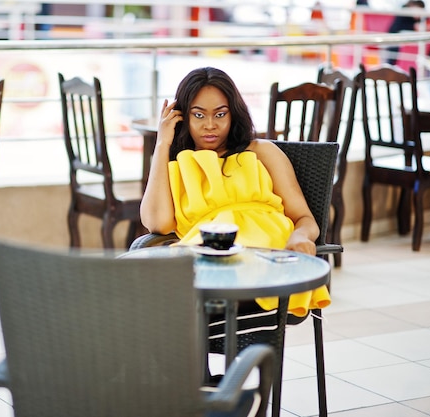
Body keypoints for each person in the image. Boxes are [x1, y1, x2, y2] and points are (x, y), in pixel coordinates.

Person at [140, 67, 330, 351]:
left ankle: (196, 387)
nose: (210, 125)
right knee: (140, 304)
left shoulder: (261, 151)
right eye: (198, 114)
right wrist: (162, 143)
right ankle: (192, 386)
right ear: (183, 117)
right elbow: (158, 224)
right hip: (206, 262)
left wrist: (301, 237)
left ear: (233, 113)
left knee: (163, 311)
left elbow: (304, 218)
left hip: (263, 255)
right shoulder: (178, 164)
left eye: (220, 114)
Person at [386, 0, 430, 65]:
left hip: (417, 48)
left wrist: (428, 27)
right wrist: (413, 27)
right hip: (399, 45)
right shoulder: (403, 14)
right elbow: (393, 30)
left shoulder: (424, 17)